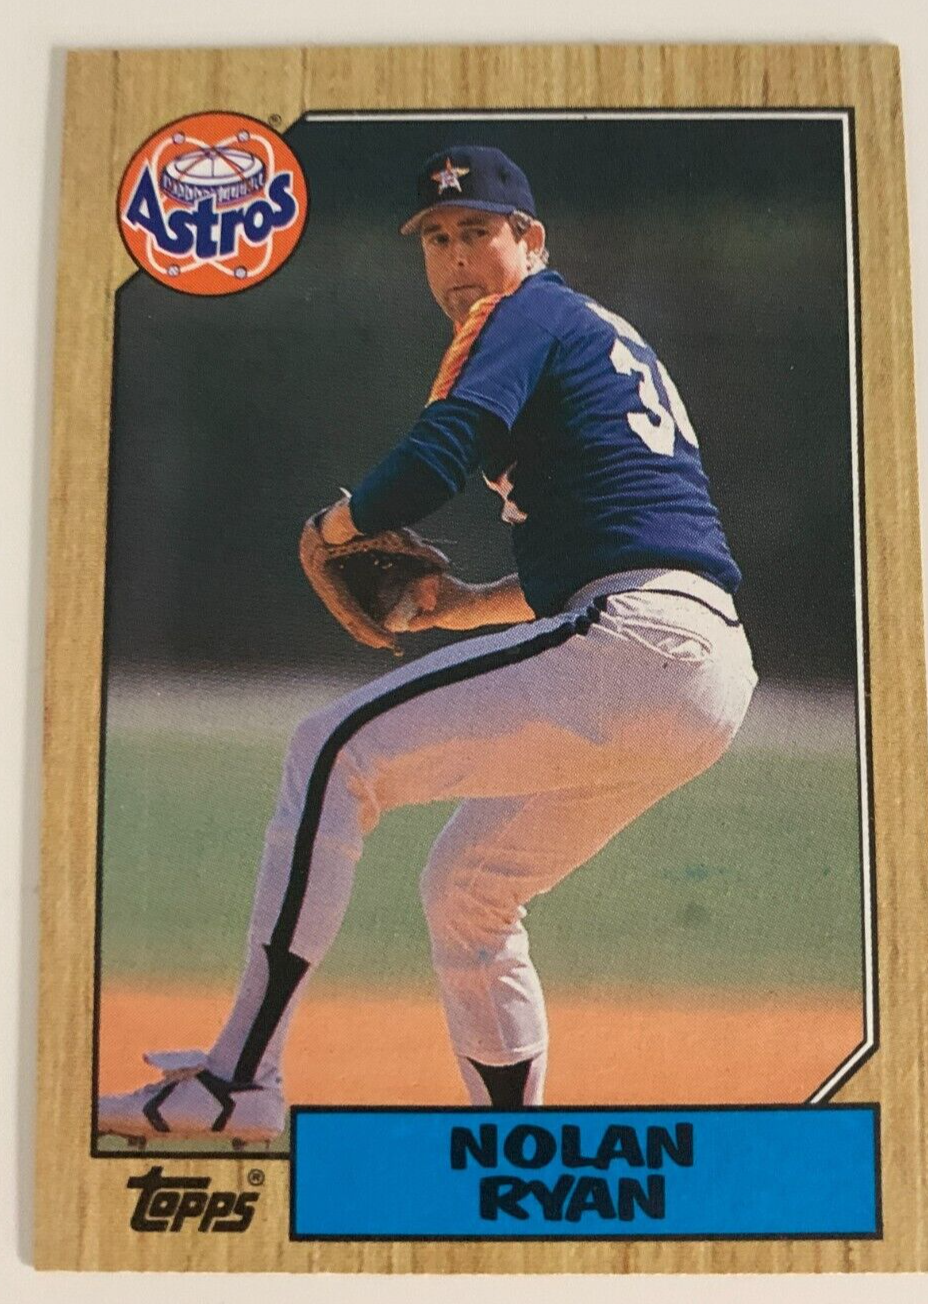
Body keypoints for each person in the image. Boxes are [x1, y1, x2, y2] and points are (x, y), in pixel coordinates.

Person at [98, 145, 758, 1144]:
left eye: (477, 231)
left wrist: (331, 526)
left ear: (530, 240)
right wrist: (464, 605)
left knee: (330, 750)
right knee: (469, 887)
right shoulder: (591, 331)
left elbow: (436, 457)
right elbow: (611, 545)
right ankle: (513, 1147)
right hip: (698, 667)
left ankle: (237, 1080)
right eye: (437, 237)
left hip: (635, 640)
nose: (455, 256)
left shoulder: (523, 312)